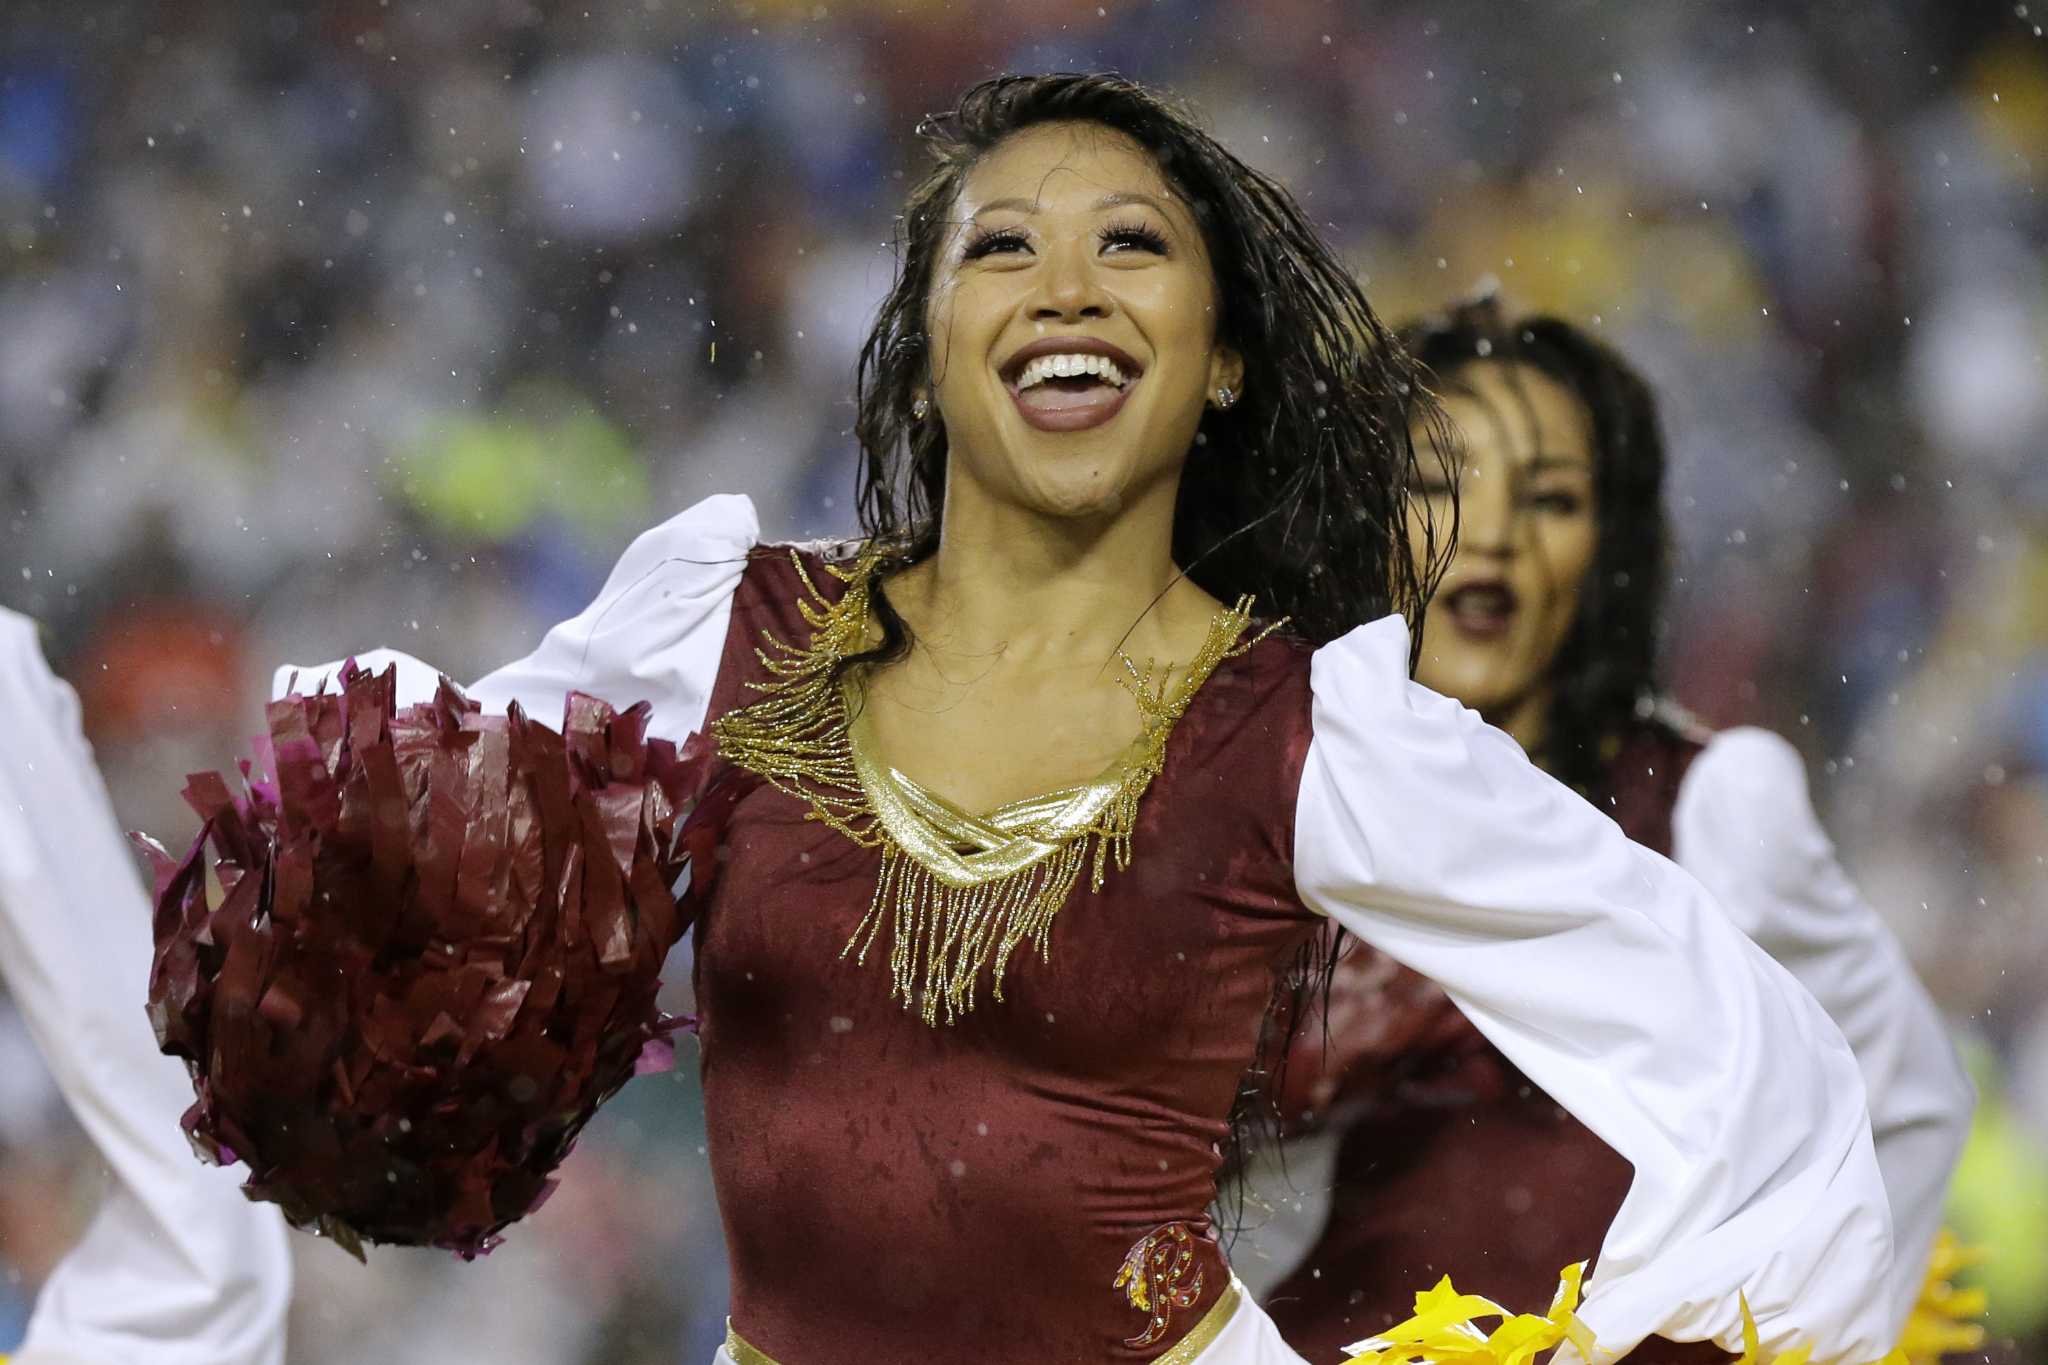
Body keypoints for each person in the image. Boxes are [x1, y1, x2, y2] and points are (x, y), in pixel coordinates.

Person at [276, 74, 1899, 1363]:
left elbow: (1747, 1066)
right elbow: (396, 839)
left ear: (1223, 368)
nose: (1063, 285)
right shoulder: (727, 630)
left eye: (1130, 245)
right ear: (922, 344)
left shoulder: (1306, 734)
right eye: (998, 246)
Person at [1255, 298, 1977, 1363]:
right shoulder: (1259, 799)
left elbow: (1907, 1102)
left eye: (1547, 498)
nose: (1486, 533)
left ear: (1610, 543)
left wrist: (1829, 1344)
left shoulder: (1711, 802)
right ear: (1354, 520)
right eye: (1429, 485)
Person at [0, 608, 293, 1365]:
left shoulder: (281, 917)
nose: (177, 778)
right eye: (151, 743)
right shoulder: (55, 903)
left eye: (197, 742)